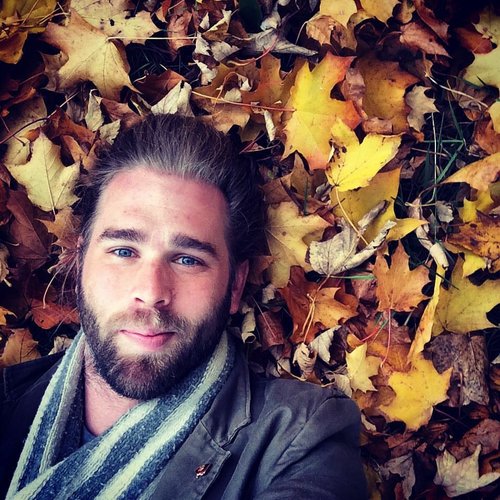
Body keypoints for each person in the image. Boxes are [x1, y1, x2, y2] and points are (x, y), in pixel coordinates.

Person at [0, 114, 367, 499]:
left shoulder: (296, 440)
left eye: (188, 259)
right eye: (124, 251)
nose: (151, 292)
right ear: (79, 263)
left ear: (235, 285)